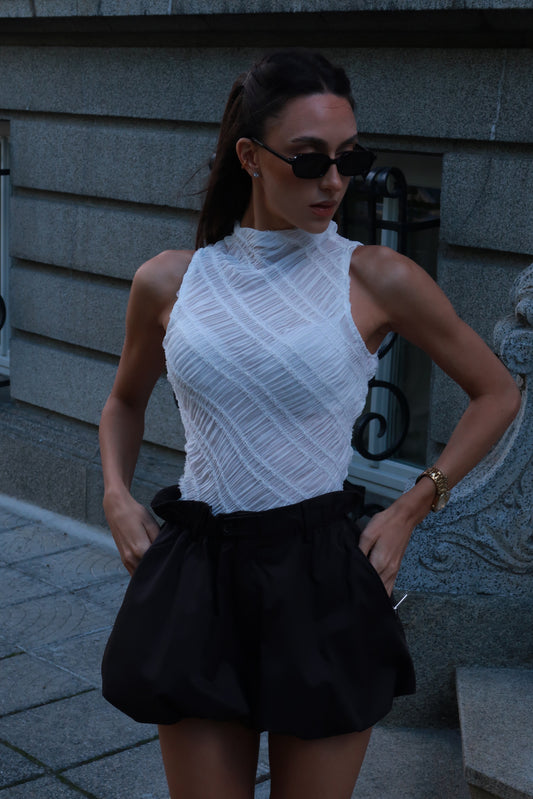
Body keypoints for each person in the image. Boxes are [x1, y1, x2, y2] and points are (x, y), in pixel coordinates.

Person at [99, 50, 520, 799]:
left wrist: (411, 506)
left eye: (349, 157)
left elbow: (496, 392)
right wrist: (115, 494)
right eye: (309, 159)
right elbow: (125, 399)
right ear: (249, 157)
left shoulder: (375, 277)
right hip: (199, 572)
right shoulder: (169, 279)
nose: (333, 180)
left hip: (319, 576)